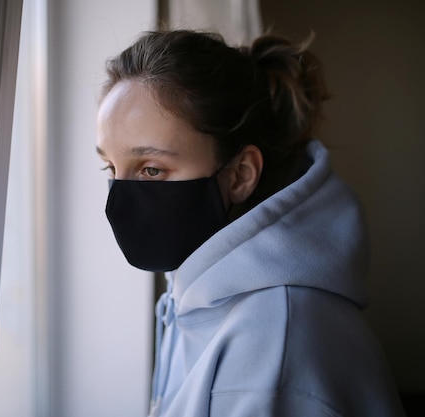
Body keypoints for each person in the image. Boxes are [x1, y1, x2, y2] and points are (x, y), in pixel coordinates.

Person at [96, 30, 406, 417]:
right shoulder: (194, 296)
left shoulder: (273, 349)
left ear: (241, 174)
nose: (118, 197)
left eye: (152, 169)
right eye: (110, 167)